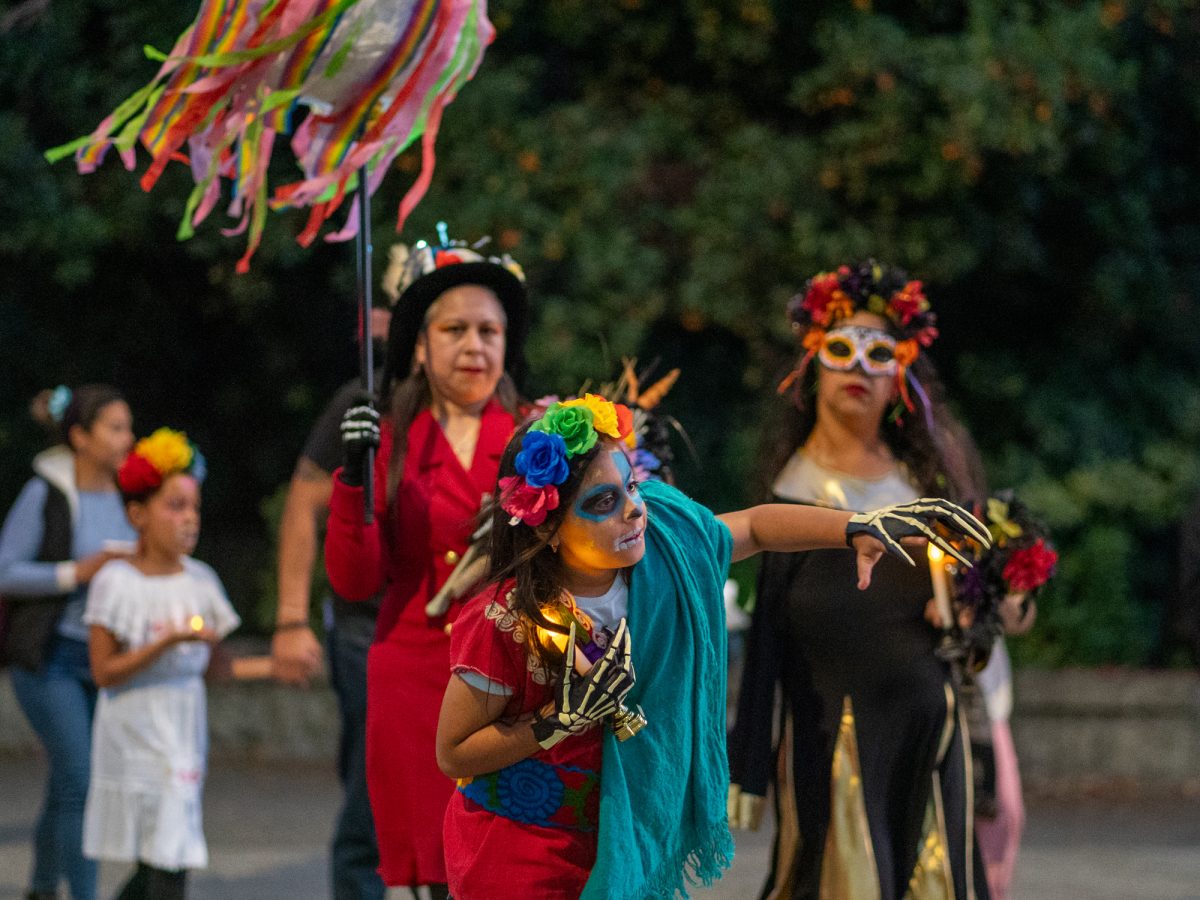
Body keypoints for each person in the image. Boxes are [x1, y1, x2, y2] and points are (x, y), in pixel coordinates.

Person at [434, 392, 989, 900]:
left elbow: (754, 528)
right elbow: (453, 753)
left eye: (630, 485)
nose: (633, 507)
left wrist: (855, 527)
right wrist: (558, 721)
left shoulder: (663, 551)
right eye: (603, 501)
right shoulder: (503, 619)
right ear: (546, 528)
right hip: (519, 855)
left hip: (625, 840)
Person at [727, 261, 991, 900]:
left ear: (901, 373)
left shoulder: (930, 488)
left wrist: (979, 611)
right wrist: (750, 766)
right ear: (814, 362)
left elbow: (983, 613)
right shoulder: (785, 499)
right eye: (843, 349)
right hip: (829, 738)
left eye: (880, 354)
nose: (860, 369)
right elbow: (765, 646)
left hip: (929, 735)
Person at [324, 227, 529, 897]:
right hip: (413, 677)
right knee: (437, 875)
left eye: (489, 331)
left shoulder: (539, 434)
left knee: (512, 862)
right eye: (455, 330)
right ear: (419, 343)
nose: (475, 346)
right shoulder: (389, 439)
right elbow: (355, 581)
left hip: (512, 675)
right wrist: (353, 478)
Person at [82, 427, 271, 900]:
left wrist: (275, 667)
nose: (190, 519)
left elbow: (215, 668)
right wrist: (166, 644)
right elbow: (104, 672)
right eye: (175, 506)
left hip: (183, 732)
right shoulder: (114, 582)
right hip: (134, 736)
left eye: (194, 508)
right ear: (137, 514)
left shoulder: (201, 581)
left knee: (165, 855)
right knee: (169, 856)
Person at [270, 304, 391, 900]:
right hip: (368, 629)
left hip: (462, 628)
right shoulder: (363, 401)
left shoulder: (504, 401)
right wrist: (291, 619)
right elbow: (303, 501)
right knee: (370, 800)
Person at [0, 384, 136, 900]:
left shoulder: (132, 491)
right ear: (80, 436)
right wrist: (76, 573)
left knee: (67, 783)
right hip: (49, 657)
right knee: (82, 779)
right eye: (116, 428)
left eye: (129, 427)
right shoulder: (47, 490)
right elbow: (5, 571)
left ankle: (39, 887)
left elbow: (188, 485)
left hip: (103, 658)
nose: (128, 439)